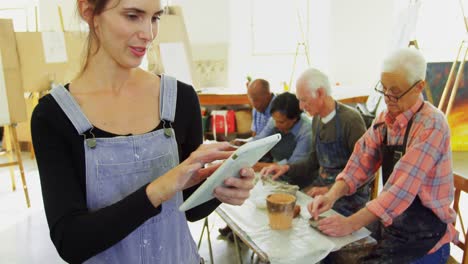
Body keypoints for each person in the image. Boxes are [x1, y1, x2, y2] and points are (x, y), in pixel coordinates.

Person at [30, 0, 255, 263]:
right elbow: (72, 242)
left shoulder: (180, 99)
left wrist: (223, 187)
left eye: (155, 18)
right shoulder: (54, 115)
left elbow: (190, 208)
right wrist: (163, 186)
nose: (148, 34)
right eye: (133, 16)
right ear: (89, 12)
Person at [309, 48, 457, 263]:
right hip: (393, 225)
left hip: (425, 237)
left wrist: (350, 223)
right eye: (383, 88)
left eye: (395, 92)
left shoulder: (432, 125)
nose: (387, 98)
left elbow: (400, 189)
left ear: (419, 87)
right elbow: (360, 161)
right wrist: (331, 196)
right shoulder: (386, 119)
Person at [261, 68, 369, 217]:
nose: (300, 106)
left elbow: (367, 171)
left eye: (303, 100)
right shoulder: (317, 120)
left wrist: (331, 191)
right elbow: (313, 162)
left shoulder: (350, 121)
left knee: (310, 221)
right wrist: (286, 168)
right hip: (322, 187)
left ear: (320, 93)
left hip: (349, 197)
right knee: (285, 208)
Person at [253, 92, 312, 170]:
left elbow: (293, 165)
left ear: (294, 118)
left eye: (281, 122)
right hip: (274, 165)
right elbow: (259, 141)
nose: (276, 125)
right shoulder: (276, 120)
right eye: (274, 120)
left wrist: (258, 166)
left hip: (296, 174)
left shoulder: (306, 132)